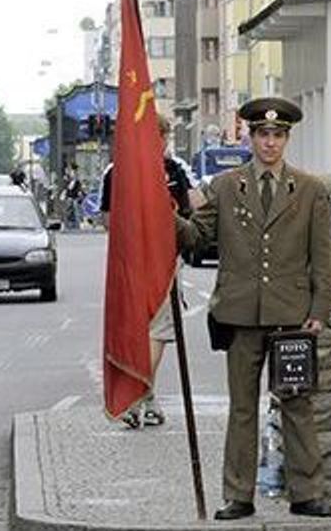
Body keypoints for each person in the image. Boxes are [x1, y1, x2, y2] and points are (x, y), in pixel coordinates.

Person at [175, 97, 331, 521]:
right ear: (249, 136)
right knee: (242, 408)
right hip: (240, 314)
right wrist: (163, 210)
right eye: (262, 134)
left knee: (297, 405)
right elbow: (196, 237)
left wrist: (319, 307)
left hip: (290, 315)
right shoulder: (226, 186)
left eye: (278, 135)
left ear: (287, 139)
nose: (270, 142)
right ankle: (238, 495)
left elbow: (322, 256)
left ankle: (307, 493)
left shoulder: (309, 189)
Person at [101, 115, 193, 429]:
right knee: (156, 330)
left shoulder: (116, 172)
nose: (162, 144)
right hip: (159, 263)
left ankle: (146, 396)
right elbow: (189, 214)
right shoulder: (171, 171)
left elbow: (108, 221)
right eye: (160, 137)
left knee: (139, 330)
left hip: (132, 263)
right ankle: (136, 398)